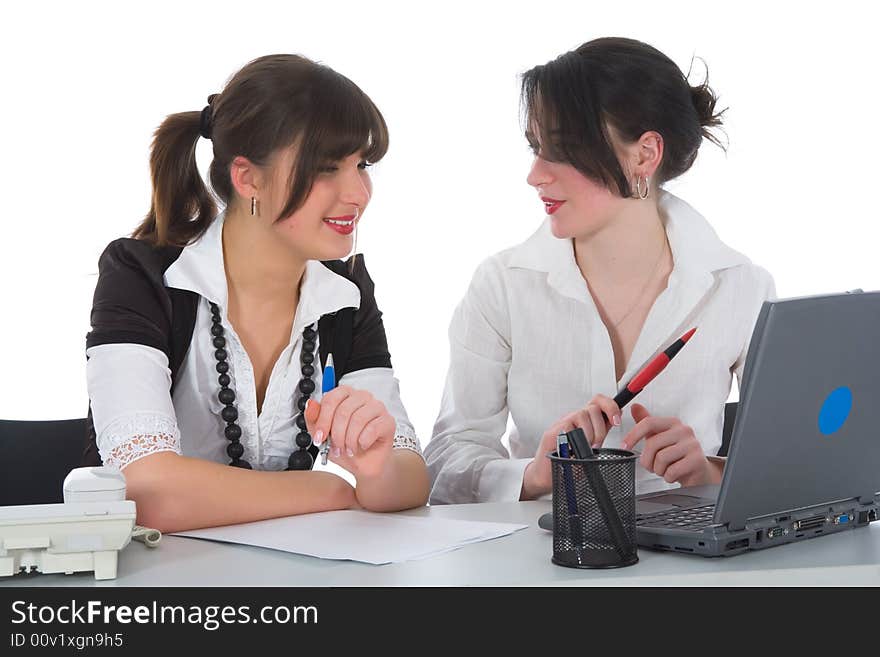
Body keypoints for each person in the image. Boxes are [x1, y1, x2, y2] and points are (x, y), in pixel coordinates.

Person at [84, 54, 429, 532]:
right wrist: (331, 489)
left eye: (362, 164)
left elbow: (410, 478)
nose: (359, 193)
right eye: (327, 167)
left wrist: (375, 470)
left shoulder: (345, 290)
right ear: (247, 178)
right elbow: (146, 491)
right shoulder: (143, 275)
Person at [425, 37, 775, 504]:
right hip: (536, 556)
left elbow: (792, 466)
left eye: (563, 150)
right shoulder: (504, 285)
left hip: (688, 563)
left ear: (645, 154)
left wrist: (709, 470)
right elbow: (446, 461)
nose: (535, 174)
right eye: (535, 147)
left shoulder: (740, 286)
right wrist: (533, 475)